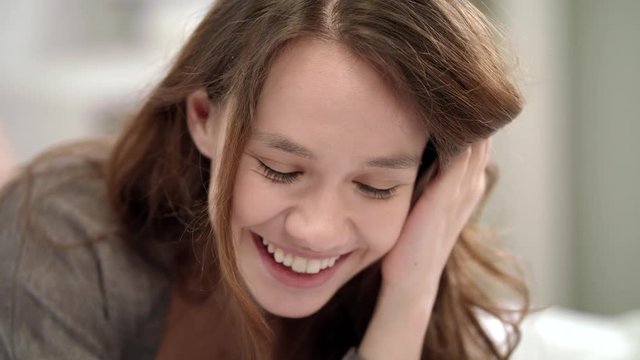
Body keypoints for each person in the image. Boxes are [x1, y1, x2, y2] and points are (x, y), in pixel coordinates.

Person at [0, 0, 529, 359]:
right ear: (203, 117)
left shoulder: (410, 264)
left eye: (375, 187)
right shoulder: (64, 232)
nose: (317, 230)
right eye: (281, 169)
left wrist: (409, 298)